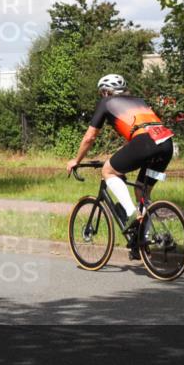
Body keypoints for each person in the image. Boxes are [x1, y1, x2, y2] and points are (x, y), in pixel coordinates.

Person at [66, 74, 174, 258]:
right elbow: (138, 133)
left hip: (146, 143)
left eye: (102, 93)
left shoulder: (106, 103)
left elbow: (90, 137)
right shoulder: (139, 101)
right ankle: (143, 240)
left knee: (108, 171)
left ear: (106, 92)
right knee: (142, 192)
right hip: (166, 145)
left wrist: (76, 160)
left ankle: (132, 214)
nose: (102, 96)